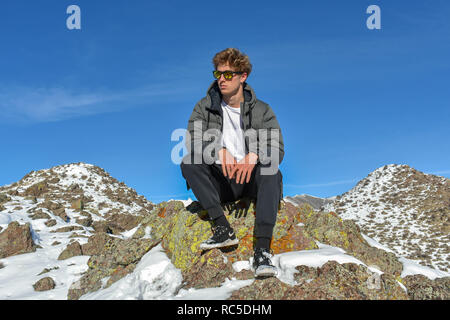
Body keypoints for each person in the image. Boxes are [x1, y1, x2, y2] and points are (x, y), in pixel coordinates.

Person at [180, 48, 284, 277]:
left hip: (251, 182)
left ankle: (262, 251)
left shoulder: (263, 110)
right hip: (222, 184)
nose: (221, 80)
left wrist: (254, 154)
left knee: (271, 169)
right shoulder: (203, 107)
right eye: (218, 74)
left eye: (228, 75)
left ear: (243, 76)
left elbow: (277, 148)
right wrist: (218, 150)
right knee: (189, 162)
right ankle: (223, 228)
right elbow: (193, 140)